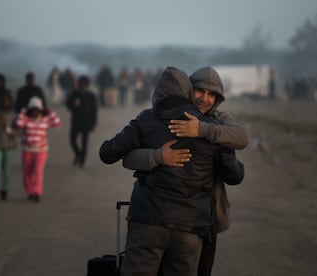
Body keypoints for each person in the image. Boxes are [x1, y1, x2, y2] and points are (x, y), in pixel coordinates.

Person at [99, 67, 244, 276]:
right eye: (200, 91)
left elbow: (107, 153)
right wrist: (157, 156)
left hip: (146, 219)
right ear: (188, 90)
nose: (205, 99)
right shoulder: (215, 131)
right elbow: (235, 175)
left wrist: (152, 156)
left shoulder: (147, 120)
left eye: (211, 94)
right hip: (190, 226)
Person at [15, 96, 61, 202]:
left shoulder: (45, 120)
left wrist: (51, 113)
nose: (35, 112)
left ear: (40, 110)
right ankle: (30, 190)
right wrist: (23, 111)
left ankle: (37, 192)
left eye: (37, 110)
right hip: (27, 150)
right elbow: (18, 124)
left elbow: (57, 123)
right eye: (33, 110)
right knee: (27, 173)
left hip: (41, 150)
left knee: (38, 171)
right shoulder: (26, 120)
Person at [66, 76, 98, 168]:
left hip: (86, 122)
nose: (82, 86)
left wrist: (93, 124)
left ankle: (82, 161)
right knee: (72, 140)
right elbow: (68, 105)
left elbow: (94, 111)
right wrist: (74, 105)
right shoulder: (74, 94)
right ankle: (78, 154)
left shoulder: (91, 96)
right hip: (75, 121)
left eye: (84, 84)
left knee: (84, 142)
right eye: (81, 84)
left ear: (87, 85)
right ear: (79, 84)